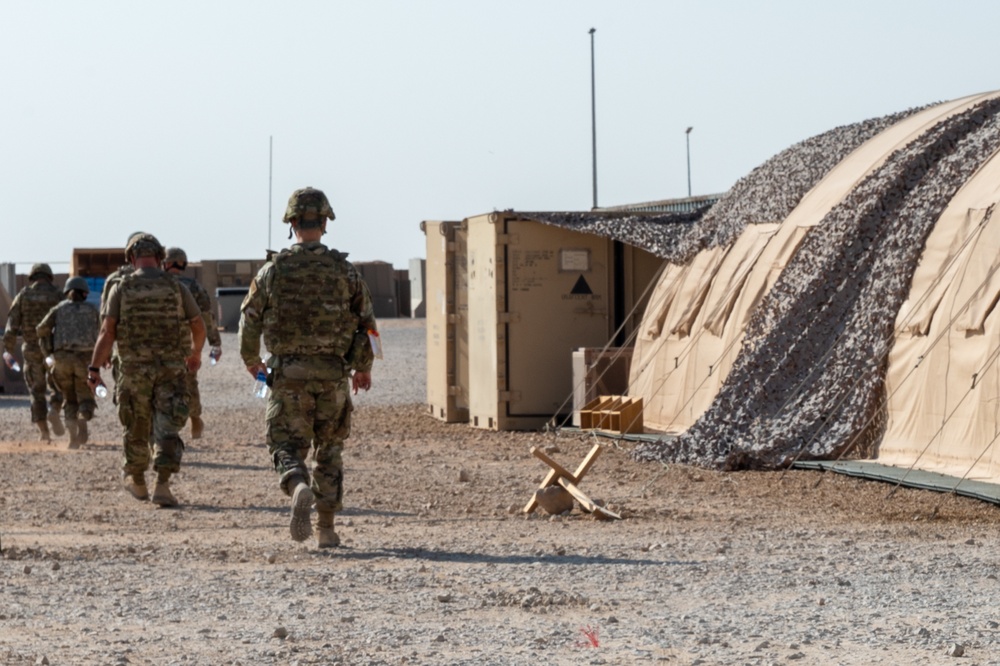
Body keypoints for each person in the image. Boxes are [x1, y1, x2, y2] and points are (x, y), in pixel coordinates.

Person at [238, 186, 376, 548]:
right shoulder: (345, 272)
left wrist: (253, 362)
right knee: (330, 451)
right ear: (325, 222)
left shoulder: (272, 271)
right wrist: (363, 367)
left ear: (293, 223)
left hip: (287, 375)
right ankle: (326, 529)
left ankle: (298, 484)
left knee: (285, 444)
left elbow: (249, 319)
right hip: (333, 375)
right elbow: (368, 324)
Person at [87, 232, 206, 507]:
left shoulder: (121, 287)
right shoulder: (177, 287)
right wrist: (195, 353)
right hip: (171, 370)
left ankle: (137, 480)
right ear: (160, 258)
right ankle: (162, 484)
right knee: (167, 426)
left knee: (136, 425)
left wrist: (94, 368)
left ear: (131, 258)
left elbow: (107, 332)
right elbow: (198, 324)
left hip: (133, 371)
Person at [162, 246, 222, 439]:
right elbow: (206, 316)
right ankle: (195, 418)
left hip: (161, 344)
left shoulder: (159, 284)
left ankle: (167, 427)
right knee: (189, 383)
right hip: (188, 344)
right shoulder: (193, 286)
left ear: (167, 263)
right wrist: (215, 342)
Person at [3, 263, 66, 441]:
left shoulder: (23, 295)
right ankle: (54, 410)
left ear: (32, 277)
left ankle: (44, 432)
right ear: (49, 276)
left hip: (31, 350)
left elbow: (11, 326)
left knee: (36, 391)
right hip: (52, 352)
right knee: (58, 386)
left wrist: (8, 351)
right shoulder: (57, 295)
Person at [36, 276, 101, 448]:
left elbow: (41, 329)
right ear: (85, 293)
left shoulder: (59, 309)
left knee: (69, 398)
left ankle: (73, 438)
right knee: (85, 395)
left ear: (66, 293)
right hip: (86, 359)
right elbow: (104, 333)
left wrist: (49, 351)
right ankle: (83, 415)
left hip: (62, 360)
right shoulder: (93, 309)